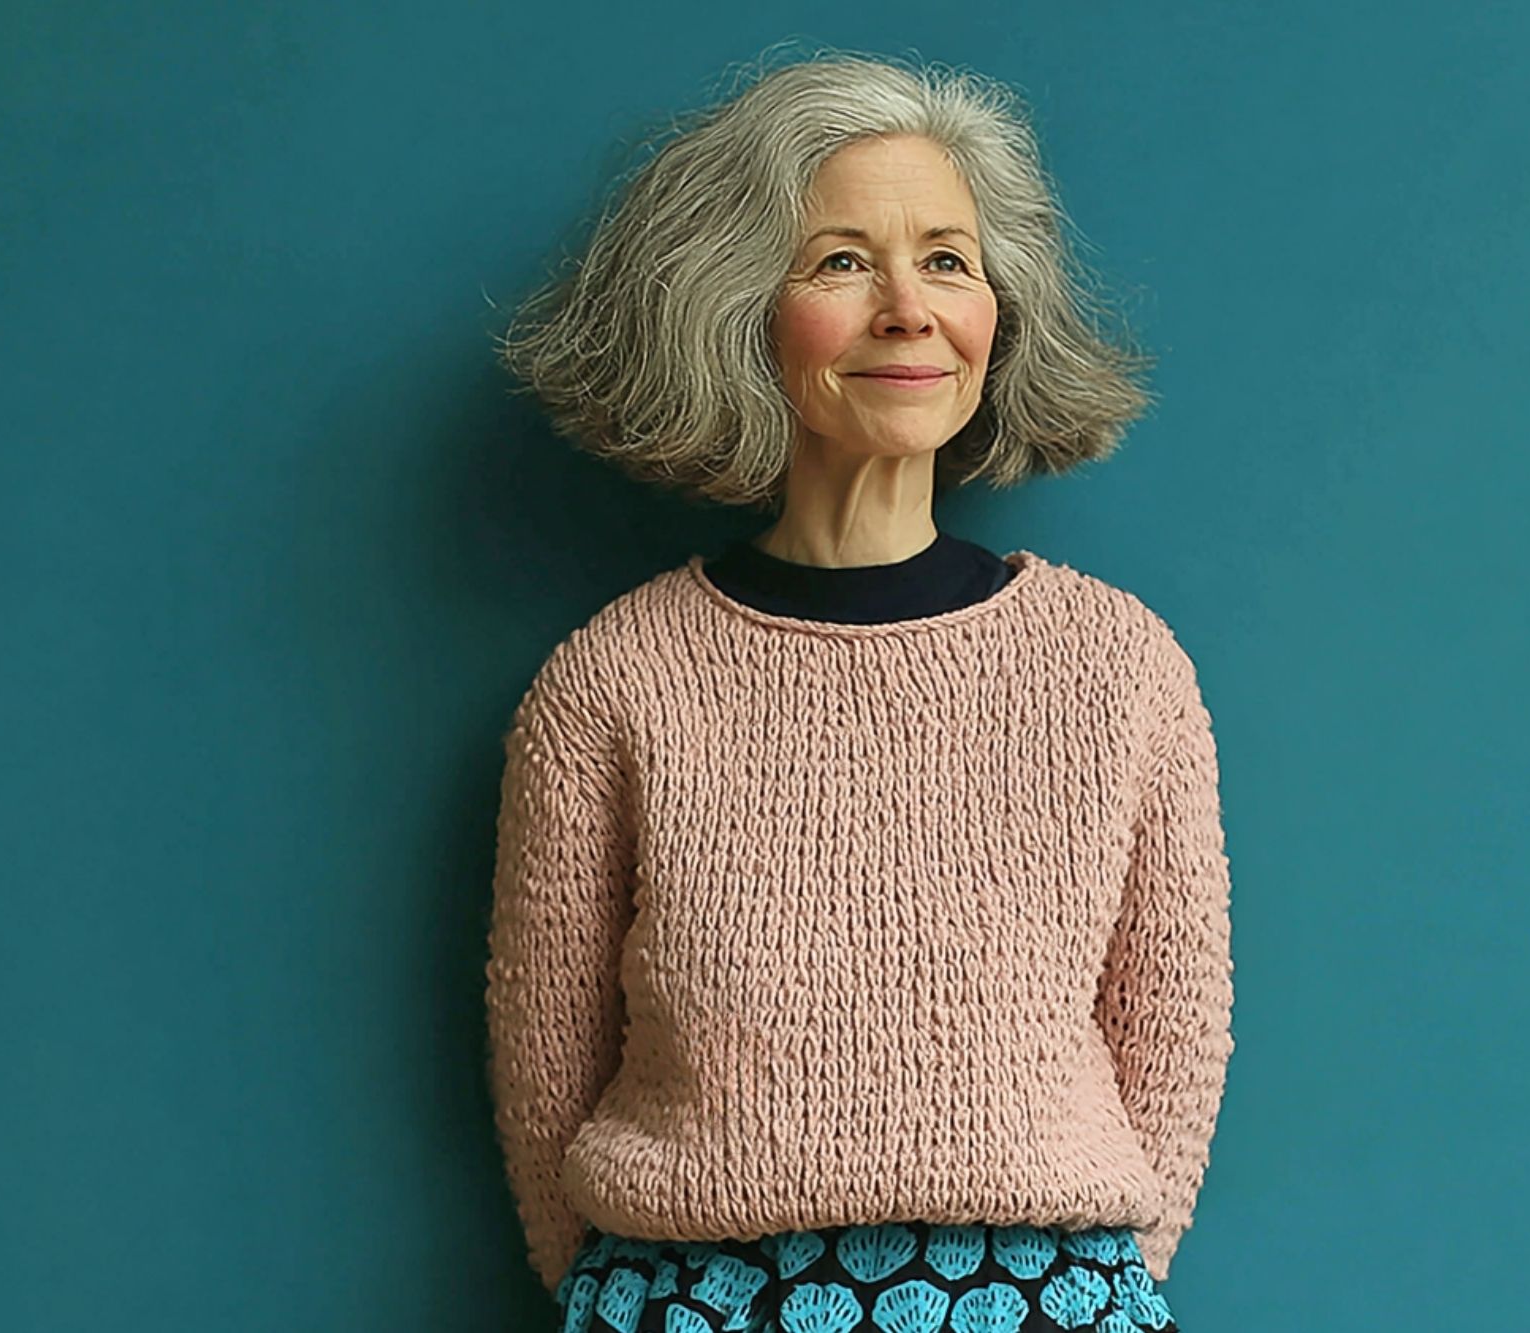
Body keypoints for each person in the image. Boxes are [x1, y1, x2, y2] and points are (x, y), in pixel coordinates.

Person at [485, 46, 1233, 1333]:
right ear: (733, 308)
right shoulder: (614, 681)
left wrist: (1084, 1295)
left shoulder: (1118, 668)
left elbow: (1172, 1029)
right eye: (841, 261)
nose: (907, 308)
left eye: (946, 258)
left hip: (1044, 1299)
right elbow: (544, 1063)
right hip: (694, 1300)